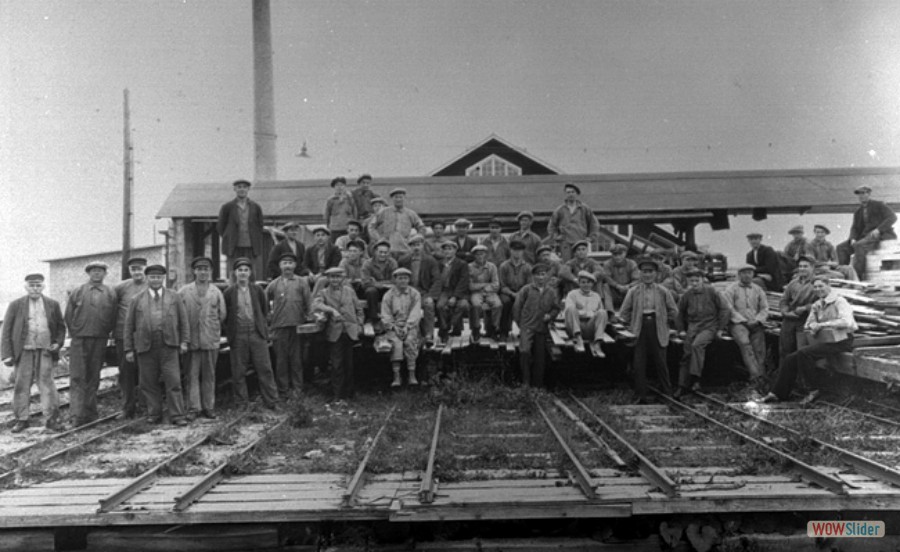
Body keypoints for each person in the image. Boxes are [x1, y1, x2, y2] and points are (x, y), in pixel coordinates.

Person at [762, 276, 858, 404]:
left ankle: (813, 390)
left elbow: (847, 321)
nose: (818, 289)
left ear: (828, 285)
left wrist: (823, 325)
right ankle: (777, 393)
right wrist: (812, 326)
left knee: (804, 353)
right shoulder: (817, 304)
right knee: (790, 359)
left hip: (842, 340)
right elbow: (808, 323)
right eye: (815, 287)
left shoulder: (840, 301)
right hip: (826, 340)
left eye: (821, 286)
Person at [124, 264, 190, 425]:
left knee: (173, 381)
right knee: (148, 382)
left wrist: (184, 341)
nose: (155, 280)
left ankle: (177, 415)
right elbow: (128, 326)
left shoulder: (174, 297)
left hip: (169, 345)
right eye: (152, 277)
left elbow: (184, 321)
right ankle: (154, 414)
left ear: (163, 278)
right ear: (147, 279)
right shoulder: (136, 299)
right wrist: (128, 349)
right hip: (146, 346)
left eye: (159, 277)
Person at [2, 274, 66, 432]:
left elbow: (60, 327)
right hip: (23, 351)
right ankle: (22, 419)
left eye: (38, 285)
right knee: (21, 385)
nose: (35, 288)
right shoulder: (16, 305)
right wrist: (7, 354)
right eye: (32, 285)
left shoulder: (52, 304)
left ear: (43, 287)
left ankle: (52, 419)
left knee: (47, 385)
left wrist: (57, 343)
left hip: (45, 351)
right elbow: (7, 330)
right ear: (26, 287)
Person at [617, 257, 678, 403]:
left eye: (650, 272)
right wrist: (626, 327)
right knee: (639, 363)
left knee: (661, 362)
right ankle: (640, 395)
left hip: (658, 326)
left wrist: (665, 322)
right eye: (644, 272)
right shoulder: (633, 291)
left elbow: (673, 311)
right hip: (639, 327)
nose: (647, 275)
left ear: (656, 274)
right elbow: (624, 312)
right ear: (640, 273)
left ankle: (667, 393)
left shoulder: (663, 291)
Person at [223, 258, 279, 409]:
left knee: (265, 369)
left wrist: (263, 331)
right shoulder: (229, 292)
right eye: (240, 270)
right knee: (238, 372)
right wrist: (231, 334)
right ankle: (242, 404)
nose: (243, 273)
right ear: (235, 273)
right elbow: (225, 315)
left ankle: (272, 401)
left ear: (250, 273)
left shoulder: (257, 290)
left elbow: (264, 310)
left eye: (245, 270)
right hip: (238, 335)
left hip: (256, 333)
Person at [65, 261, 117, 427]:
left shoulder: (110, 293)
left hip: (100, 339)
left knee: (94, 376)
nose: (97, 274)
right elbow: (68, 315)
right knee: (78, 377)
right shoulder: (78, 291)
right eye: (93, 271)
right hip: (80, 339)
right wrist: (76, 333)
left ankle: (91, 413)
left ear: (105, 274)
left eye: (100, 271)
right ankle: (76, 415)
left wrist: (106, 333)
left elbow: (113, 315)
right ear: (88, 273)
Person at [179, 257, 226, 420]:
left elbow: (222, 315)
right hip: (191, 340)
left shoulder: (216, 292)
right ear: (194, 271)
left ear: (210, 271)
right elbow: (178, 315)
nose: (203, 272)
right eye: (199, 269)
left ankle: (208, 407)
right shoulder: (184, 291)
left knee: (209, 375)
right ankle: (194, 408)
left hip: (210, 339)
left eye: (206, 269)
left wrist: (211, 329)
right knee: (191, 375)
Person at [674, 269, 731, 397]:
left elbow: (725, 309)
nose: (694, 284)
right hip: (693, 326)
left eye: (696, 280)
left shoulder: (712, 292)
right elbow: (679, 313)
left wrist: (721, 328)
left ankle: (696, 380)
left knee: (697, 345)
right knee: (687, 354)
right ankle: (682, 385)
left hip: (709, 326)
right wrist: (681, 330)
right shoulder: (687, 295)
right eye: (691, 281)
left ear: (702, 280)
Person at [313, 267, 364, 400]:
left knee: (350, 364)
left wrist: (359, 325)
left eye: (337, 277)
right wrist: (331, 310)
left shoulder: (349, 291)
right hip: (335, 332)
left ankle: (350, 394)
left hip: (350, 331)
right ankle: (337, 395)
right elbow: (316, 305)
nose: (335, 280)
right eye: (332, 277)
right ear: (328, 279)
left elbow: (359, 309)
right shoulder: (324, 292)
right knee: (337, 365)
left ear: (342, 278)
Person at [266, 252, 311, 398]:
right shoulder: (274, 284)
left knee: (297, 359)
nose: (287, 266)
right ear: (280, 266)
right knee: (281, 360)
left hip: (297, 326)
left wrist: (309, 319)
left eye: (290, 263)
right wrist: (268, 317)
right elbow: (263, 302)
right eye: (284, 263)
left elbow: (309, 303)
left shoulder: (301, 282)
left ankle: (298, 390)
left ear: (295, 265)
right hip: (279, 327)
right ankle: (283, 390)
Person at [513, 263, 560, 387]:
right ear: (533, 276)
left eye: (543, 274)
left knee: (540, 357)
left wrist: (550, 316)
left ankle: (538, 385)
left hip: (541, 328)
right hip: (527, 327)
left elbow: (556, 308)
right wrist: (521, 324)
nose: (540, 277)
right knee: (524, 351)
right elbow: (517, 308)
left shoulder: (551, 291)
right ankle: (525, 381)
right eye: (537, 275)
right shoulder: (526, 290)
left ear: (547, 276)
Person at [837, 185, 898, 280]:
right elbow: (855, 228)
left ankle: (858, 278)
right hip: (865, 237)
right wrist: (852, 238)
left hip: (880, 235)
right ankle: (844, 275)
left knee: (859, 246)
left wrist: (879, 229)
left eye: (863, 193)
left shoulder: (879, 205)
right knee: (841, 248)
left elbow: (892, 217)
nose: (861, 196)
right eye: (859, 194)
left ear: (869, 194)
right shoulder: (858, 212)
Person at [722, 265, 769, 388]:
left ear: (753, 274)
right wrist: (742, 320)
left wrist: (758, 319)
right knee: (745, 344)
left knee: (759, 349)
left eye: (749, 273)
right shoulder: (731, 289)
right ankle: (755, 377)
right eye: (744, 273)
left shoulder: (758, 289)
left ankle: (762, 378)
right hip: (738, 323)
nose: (747, 275)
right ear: (739, 274)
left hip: (755, 323)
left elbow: (764, 308)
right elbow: (729, 308)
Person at [113, 257, 148, 419]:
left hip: (146, 336)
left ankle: (145, 406)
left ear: (145, 269)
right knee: (126, 373)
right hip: (124, 336)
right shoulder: (121, 288)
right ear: (130, 271)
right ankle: (128, 408)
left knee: (146, 372)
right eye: (134, 269)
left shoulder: (152, 285)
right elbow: (112, 309)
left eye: (140, 268)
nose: (137, 272)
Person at [381, 268, 424, 387]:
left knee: (410, 341)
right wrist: (393, 327)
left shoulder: (414, 294)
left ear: (409, 280)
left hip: (410, 326)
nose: (403, 281)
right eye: (400, 278)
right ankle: (396, 376)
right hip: (394, 326)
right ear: (395, 280)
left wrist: (408, 326)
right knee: (396, 343)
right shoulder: (389, 295)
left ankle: (412, 374)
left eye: (405, 278)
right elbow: (385, 314)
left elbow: (416, 312)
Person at [398, 234, 441, 347]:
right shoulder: (403, 260)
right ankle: (404, 334)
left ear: (423, 245)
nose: (416, 248)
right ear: (409, 247)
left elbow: (437, 280)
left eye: (418, 245)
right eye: (413, 245)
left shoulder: (430, 261)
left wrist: (431, 295)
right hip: (407, 291)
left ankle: (428, 334)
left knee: (429, 305)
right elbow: (397, 278)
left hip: (423, 292)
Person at [217, 179, 265, 277]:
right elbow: (221, 227)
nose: (242, 189)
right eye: (239, 187)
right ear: (235, 189)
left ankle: (250, 291)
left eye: (244, 187)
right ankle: (233, 290)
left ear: (248, 189)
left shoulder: (255, 207)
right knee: (233, 272)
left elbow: (260, 226)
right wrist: (230, 237)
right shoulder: (227, 207)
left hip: (251, 246)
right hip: (233, 247)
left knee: (250, 272)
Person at [563, 271, 612, 357]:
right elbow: (569, 310)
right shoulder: (572, 294)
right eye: (583, 282)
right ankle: (579, 340)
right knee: (571, 309)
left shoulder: (596, 296)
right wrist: (587, 313)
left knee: (602, 312)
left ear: (592, 284)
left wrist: (584, 313)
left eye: (589, 282)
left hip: (590, 326)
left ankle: (597, 343)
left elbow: (600, 315)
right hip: (575, 326)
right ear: (579, 283)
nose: (586, 285)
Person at [548, 183, 599, 261]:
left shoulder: (584, 209)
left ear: (577, 194)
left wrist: (591, 237)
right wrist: (556, 237)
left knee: (580, 263)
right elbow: (552, 226)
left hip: (580, 241)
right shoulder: (560, 210)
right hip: (565, 242)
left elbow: (594, 224)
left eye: (573, 192)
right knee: (567, 264)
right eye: (568, 192)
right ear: (565, 194)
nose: (570, 194)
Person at [779, 255, 817, 360]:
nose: (802, 269)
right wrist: (785, 312)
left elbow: (822, 303)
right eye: (800, 266)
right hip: (789, 320)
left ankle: (801, 376)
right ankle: (786, 375)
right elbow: (784, 300)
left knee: (802, 351)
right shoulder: (793, 283)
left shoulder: (817, 283)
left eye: (805, 266)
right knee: (785, 350)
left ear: (812, 267)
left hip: (805, 320)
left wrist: (805, 308)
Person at [371, 188, 426, 256]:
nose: (398, 199)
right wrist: (378, 239)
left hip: (405, 250)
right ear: (392, 199)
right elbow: (371, 226)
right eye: (396, 197)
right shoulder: (384, 212)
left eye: (401, 197)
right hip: (387, 250)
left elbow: (421, 228)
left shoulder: (410, 213)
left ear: (404, 198)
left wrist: (415, 239)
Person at [498, 240, 532, 339]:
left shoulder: (527, 267)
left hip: (523, 292)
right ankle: (504, 331)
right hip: (507, 293)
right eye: (515, 250)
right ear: (511, 251)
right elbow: (502, 285)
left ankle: (524, 330)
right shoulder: (504, 266)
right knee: (505, 303)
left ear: (523, 252)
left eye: (520, 250)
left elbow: (529, 284)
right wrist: (512, 294)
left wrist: (520, 294)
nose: (517, 253)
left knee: (527, 303)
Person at [436, 241, 470, 341]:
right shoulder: (439, 264)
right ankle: (445, 328)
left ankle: (449, 326)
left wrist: (455, 296)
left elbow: (463, 281)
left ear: (455, 250)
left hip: (458, 291)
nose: (447, 251)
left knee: (462, 305)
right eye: (445, 249)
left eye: (450, 249)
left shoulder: (462, 264)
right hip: (444, 291)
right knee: (440, 306)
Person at [468, 244, 502, 342]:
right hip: (476, 293)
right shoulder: (469, 267)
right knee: (476, 305)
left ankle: (494, 328)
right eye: (477, 254)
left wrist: (486, 287)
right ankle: (476, 329)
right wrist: (485, 285)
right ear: (474, 256)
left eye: (482, 254)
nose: (480, 256)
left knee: (498, 305)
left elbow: (496, 284)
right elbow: (470, 286)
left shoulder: (492, 266)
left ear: (486, 255)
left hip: (490, 291)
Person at [362, 239, 399, 329]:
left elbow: (395, 281)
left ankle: (394, 319)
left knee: (394, 291)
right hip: (374, 291)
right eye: (380, 252)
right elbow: (365, 282)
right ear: (375, 252)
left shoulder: (392, 263)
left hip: (387, 290)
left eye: (385, 252)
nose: (383, 254)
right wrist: (384, 283)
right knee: (371, 291)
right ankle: (373, 319)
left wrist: (377, 283)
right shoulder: (367, 263)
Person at [602, 244, 639, 308]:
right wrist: (617, 286)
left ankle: (636, 311)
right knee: (605, 286)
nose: (618, 257)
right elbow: (607, 278)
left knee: (638, 287)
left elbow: (637, 279)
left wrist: (629, 286)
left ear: (625, 253)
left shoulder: (632, 263)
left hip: (629, 290)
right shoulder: (607, 264)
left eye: (620, 254)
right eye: (615, 255)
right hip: (614, 290)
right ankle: (610, 312)